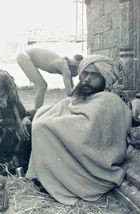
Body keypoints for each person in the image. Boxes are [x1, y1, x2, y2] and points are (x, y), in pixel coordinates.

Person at [25, 55, 132, 205]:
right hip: (79, 148)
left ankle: (59, 180)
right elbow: (66, 107)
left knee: (43, 127)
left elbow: (84, 130)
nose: (87, 79)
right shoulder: (86, 96)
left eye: (94, 75)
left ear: (105, 79)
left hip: (95, 166)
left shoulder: (108, 99)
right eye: (85, 74)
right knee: (41, 119)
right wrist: (37, 114)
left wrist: (50, 123)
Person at [16, 47, 83, 109]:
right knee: (41, 86)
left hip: (25, 55)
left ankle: (36, 111)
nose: (77, 74)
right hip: (24, 56)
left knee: (42, 86)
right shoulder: (64, 66)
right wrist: (81, 85)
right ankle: (36, 113)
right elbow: (69, 92)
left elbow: (73, 91)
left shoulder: (67, 66)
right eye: (78, 70)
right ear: (74, 66)